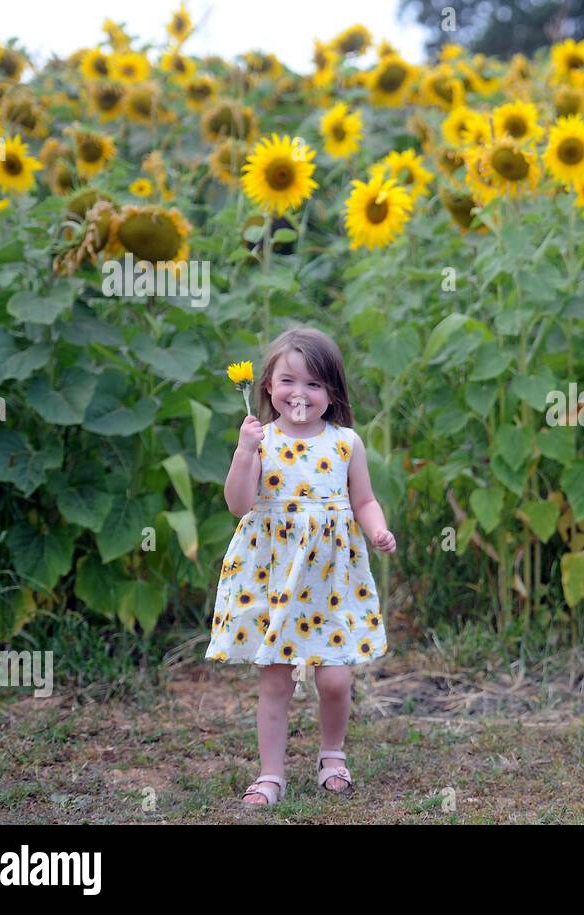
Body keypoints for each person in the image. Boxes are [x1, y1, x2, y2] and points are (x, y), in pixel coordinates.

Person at [207, 326, 397, 806]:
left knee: (335, 678)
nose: (300, 393)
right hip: (273, 577)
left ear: (331, 394)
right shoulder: (261, 439)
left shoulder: (345, 442)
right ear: (267, 385)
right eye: (289, 380)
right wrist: (243, 452)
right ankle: (271, 774)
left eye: (314, 384)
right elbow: (238, 504)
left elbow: (365, 499)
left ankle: (332, 754)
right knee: (276, 678)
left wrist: (376, 529)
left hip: (331, 578)